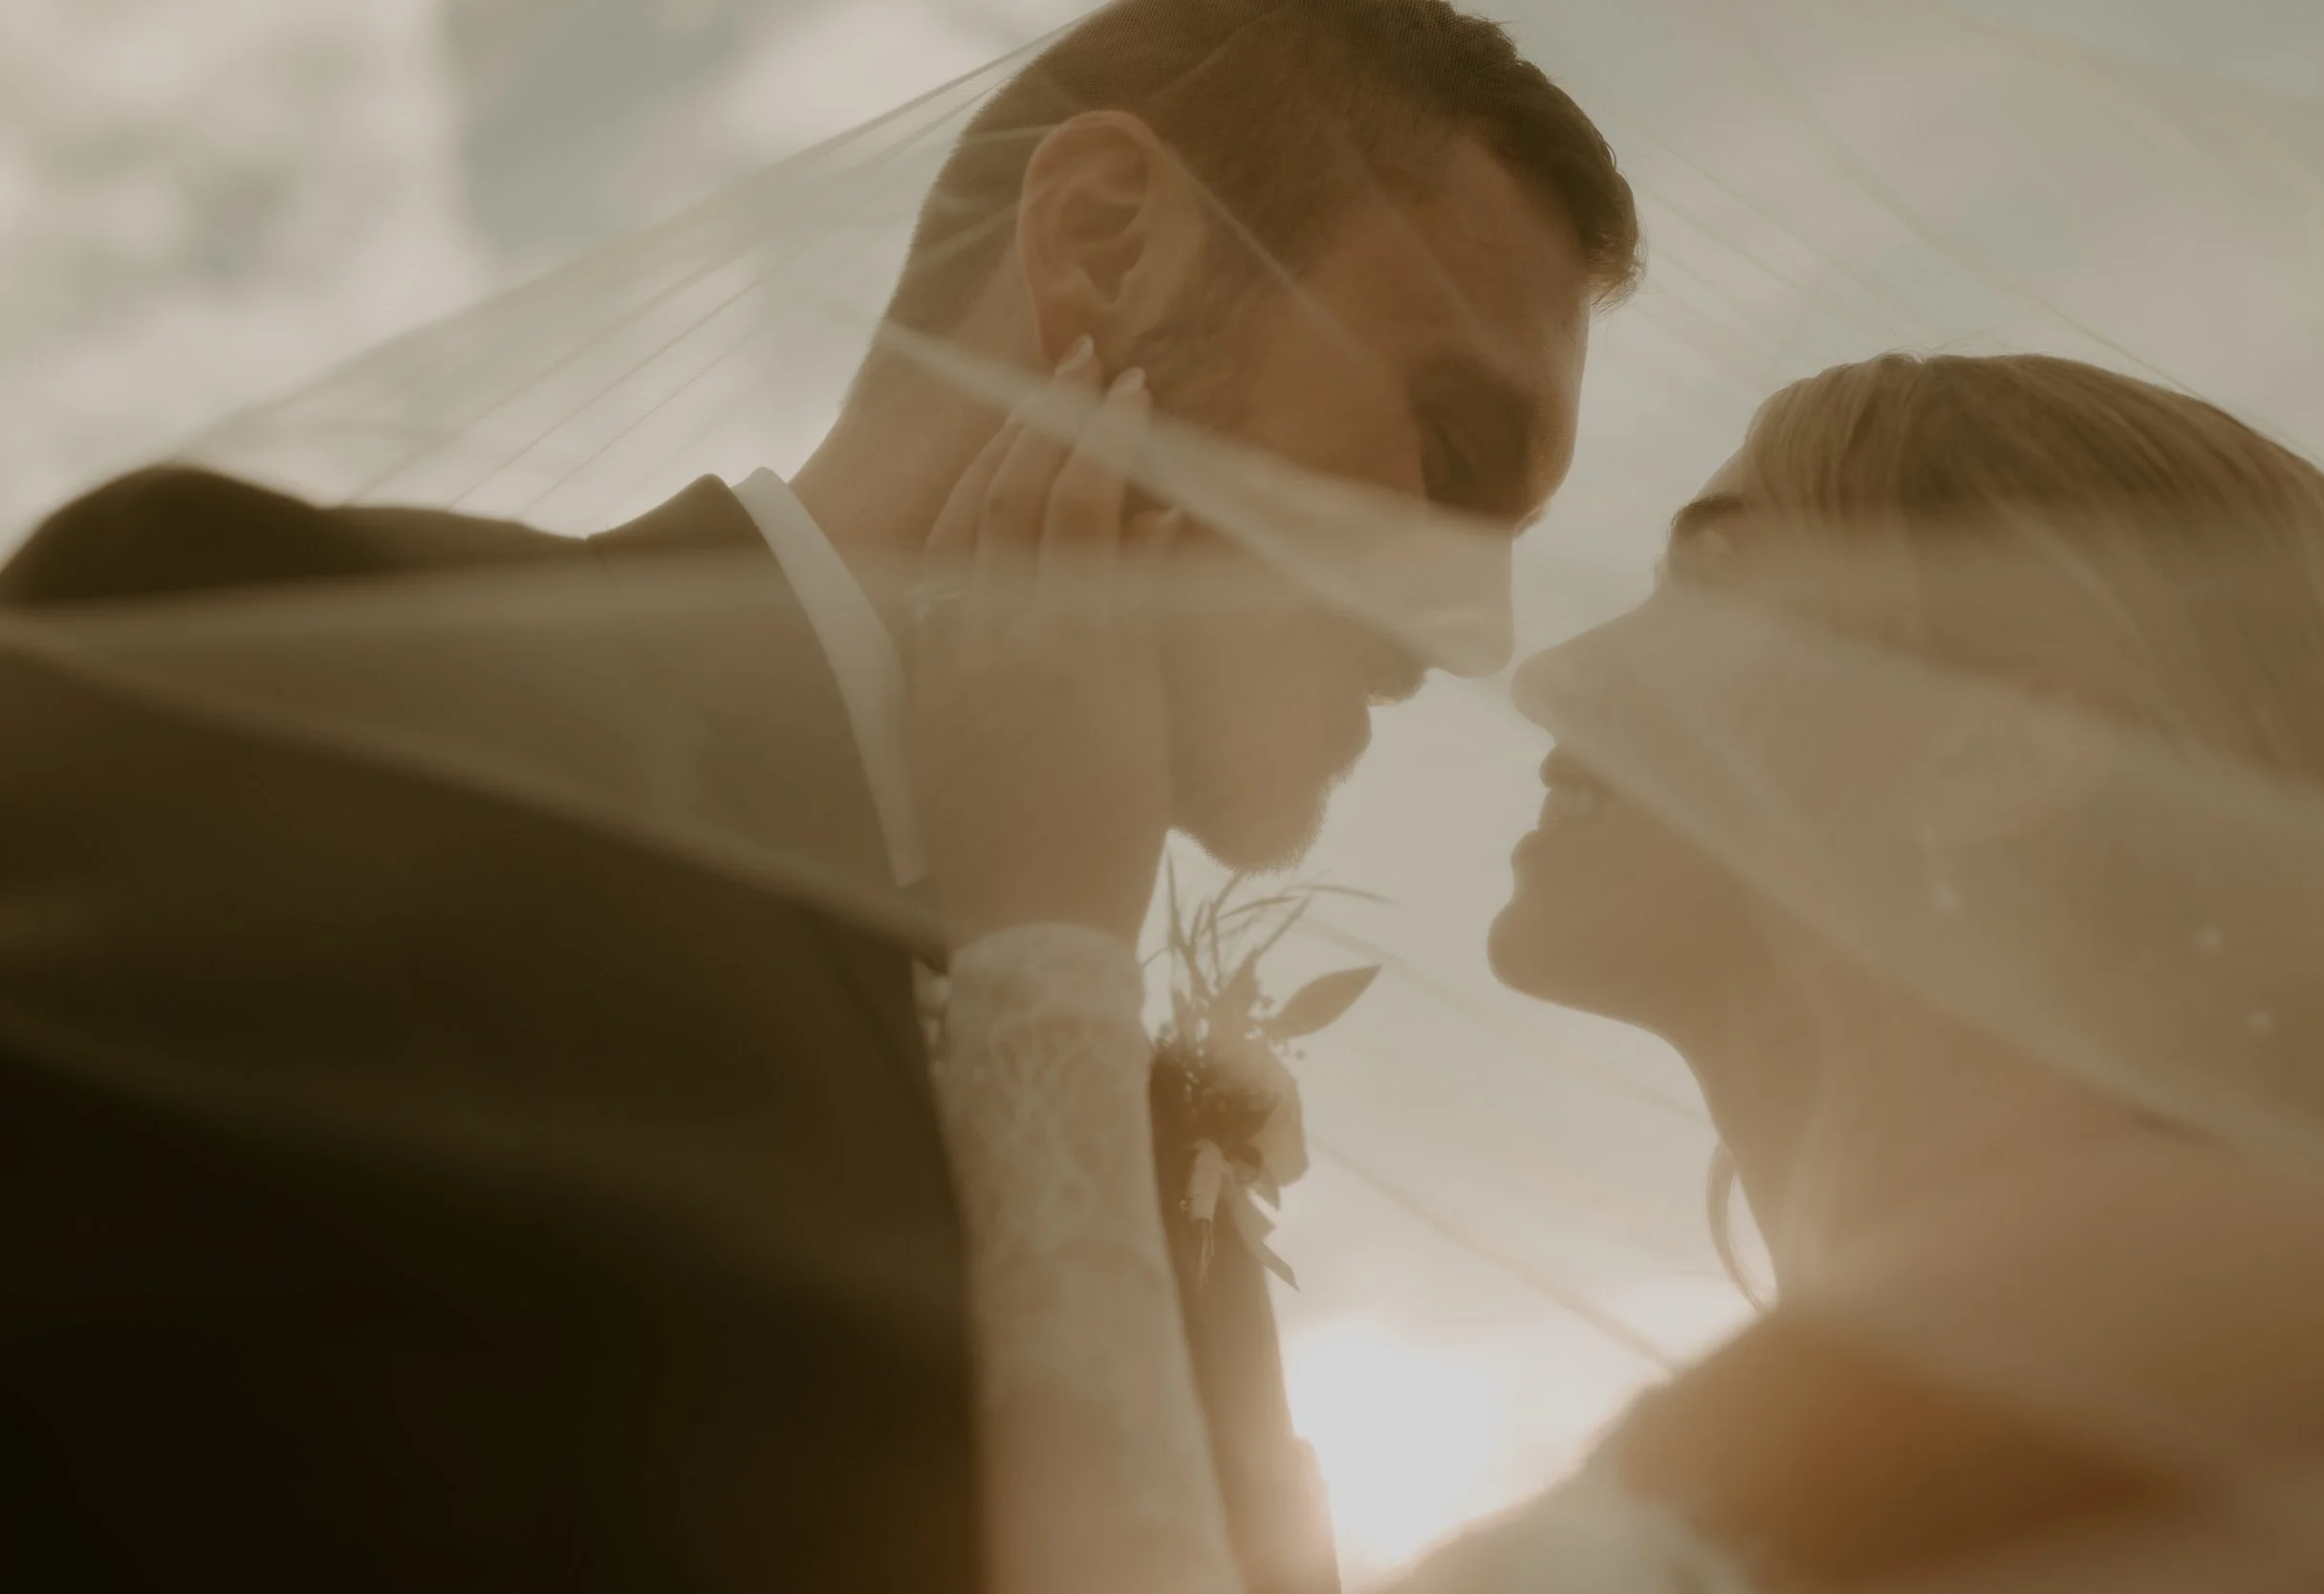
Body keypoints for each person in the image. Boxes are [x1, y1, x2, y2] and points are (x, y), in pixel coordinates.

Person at [0, 3, 1636, 1590]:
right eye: (1447, 442)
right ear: (1110, 244)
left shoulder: (1157, 1188)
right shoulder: (303, 675)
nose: (1471, 630)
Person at [909, 350, 2324, 1591]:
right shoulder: (2054, 1311)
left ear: (2003, 750)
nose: (1554, 674)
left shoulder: (2180, 1303)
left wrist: (1045, 945)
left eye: (1718, 575)